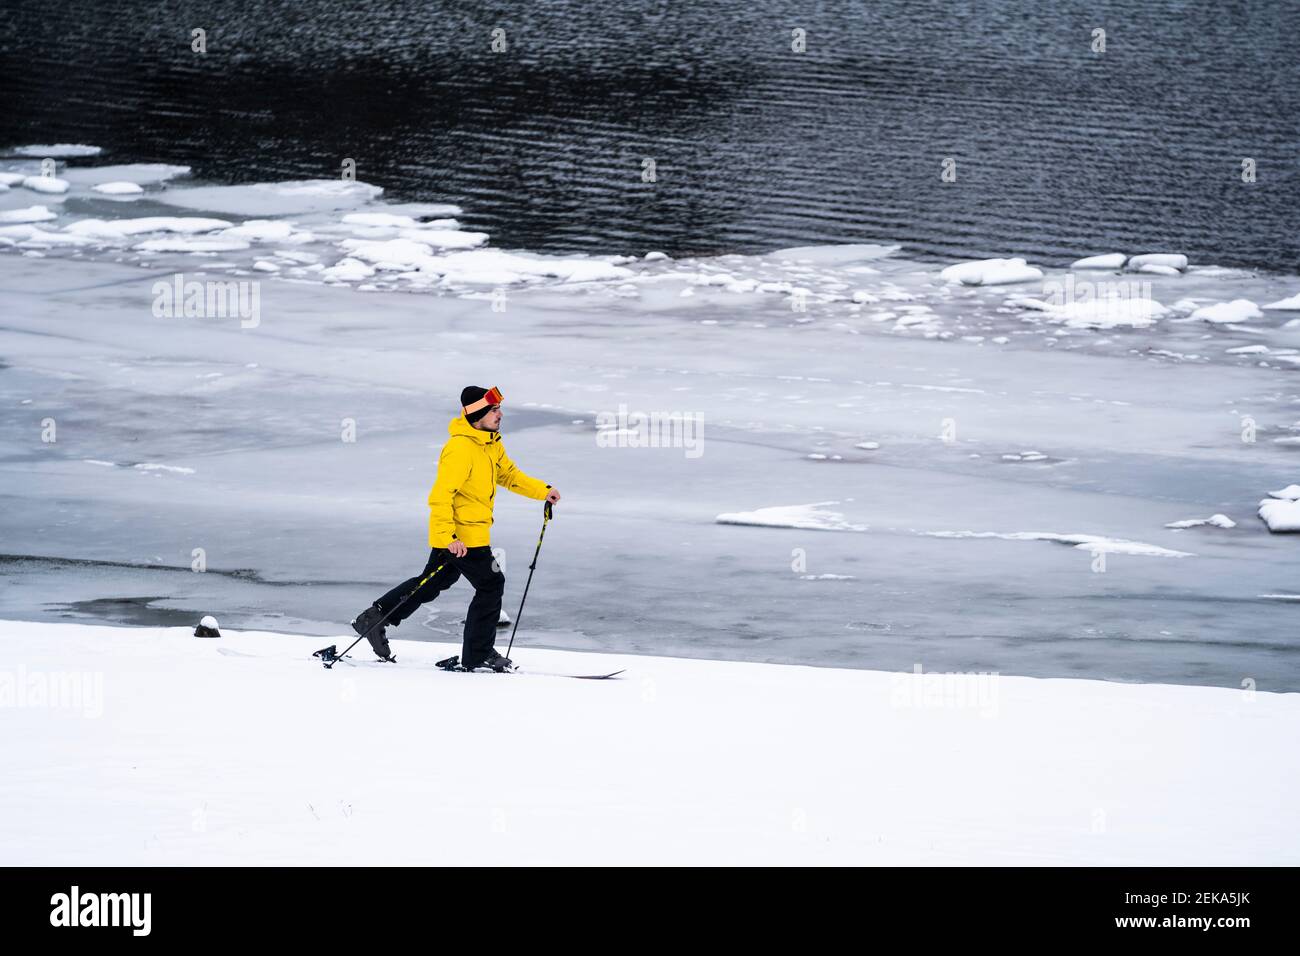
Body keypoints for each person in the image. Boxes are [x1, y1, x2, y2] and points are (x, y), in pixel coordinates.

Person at [350, 386, 560, 670]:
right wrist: (447, 537)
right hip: (462, 537)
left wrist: (542, 491)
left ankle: (375, 617)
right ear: (478, 415)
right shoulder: (460, 449)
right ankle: (478, 652)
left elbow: (508, 475)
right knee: (490, 584)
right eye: (494, 410)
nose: (500, 415)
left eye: (498, 409)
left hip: (468, 533)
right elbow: (440, 496)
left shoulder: (489, 443)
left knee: (434, 581)